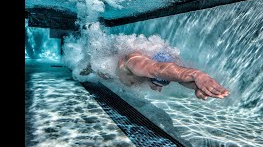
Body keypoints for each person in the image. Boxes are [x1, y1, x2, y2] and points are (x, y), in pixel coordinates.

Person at [80, 50, 230, 100]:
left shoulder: (154, 75)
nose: (158, 89)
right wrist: (197, 74)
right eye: (157, 85)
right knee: (93, 68)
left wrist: (197, 87)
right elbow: (158, 69)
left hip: (117, 77)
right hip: (105, 67)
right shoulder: (137, 64)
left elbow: (176, 77)